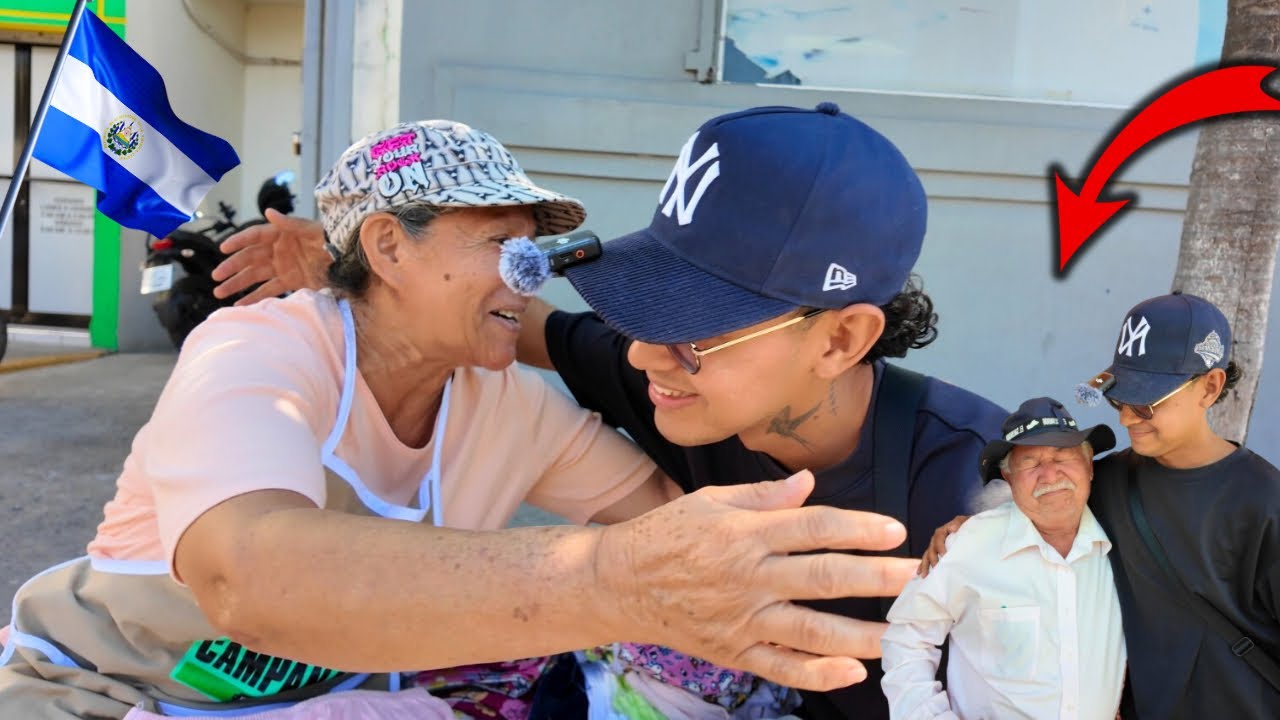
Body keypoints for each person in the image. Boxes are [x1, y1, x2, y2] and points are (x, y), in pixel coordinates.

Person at [0, 120, 918, 719]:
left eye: (536, 252)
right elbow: (249, 578)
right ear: (389, 246)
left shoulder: (508, 405)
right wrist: (610, 580)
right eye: (502, 248)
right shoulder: (260, 355)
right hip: (106, 693)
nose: (531, 277)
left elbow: (674, 526)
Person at [210, 102, 1009, 718]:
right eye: (644, 309)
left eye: (695, 327)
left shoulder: (979, 497)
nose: (640, 353)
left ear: (841, 340)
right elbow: (520, 325)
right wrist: (363, 257)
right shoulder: (673, 383)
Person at [919, 292, 1280, 718]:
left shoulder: (1264, 502)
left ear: (1210, 387)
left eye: (1145, 404)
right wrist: (967, 530)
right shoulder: (1103, 482)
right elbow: (1033, 515)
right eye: (1117, 398)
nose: (1126, 419)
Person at [881, 397, 1124, 719]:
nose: (1049, 475)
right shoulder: (970, 544)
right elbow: (906, 638)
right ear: (1008, 478)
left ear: (1089, 465)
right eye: (1030, 463)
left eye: (1062, 456)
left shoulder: (1121, 539)